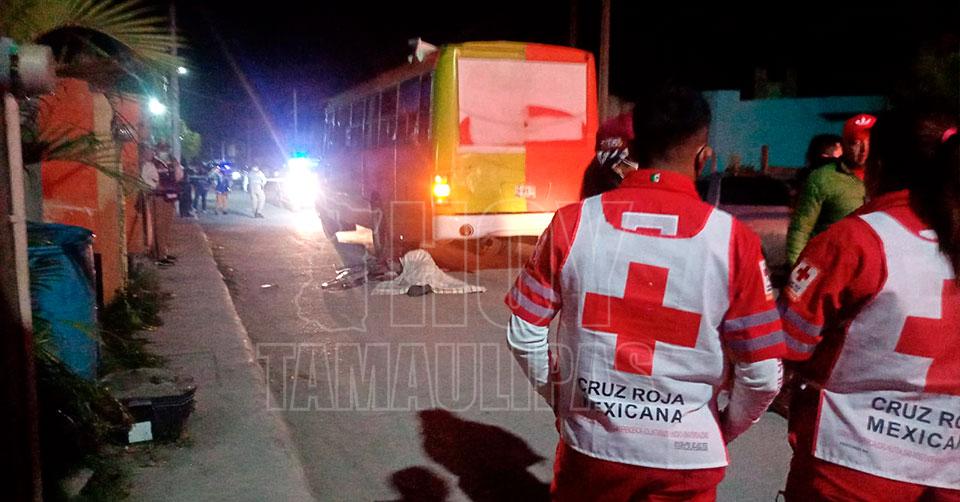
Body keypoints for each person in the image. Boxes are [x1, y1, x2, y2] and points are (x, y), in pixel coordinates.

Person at [506, 86, 787, 501]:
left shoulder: (573, 223)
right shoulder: (734, 242)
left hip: (592, 452)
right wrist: (720, 427)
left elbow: (523, 332)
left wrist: (562, 399)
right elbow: (762, 374)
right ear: (703, 156)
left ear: (634, 149)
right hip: (686, 461)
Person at [781, 111, 959, 500]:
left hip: (850, 467)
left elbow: (784, 348)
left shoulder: (855, 240)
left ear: (877, 166)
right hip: (949, 470)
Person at [786, 114, 876, 264]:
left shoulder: (890, 178)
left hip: (875, 269)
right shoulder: (822, 178)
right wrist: (796, 268)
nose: (863, 149)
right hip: (832, 267)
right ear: (843, 145)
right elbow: (800, 229)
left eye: (870, 141)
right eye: (855, 142)